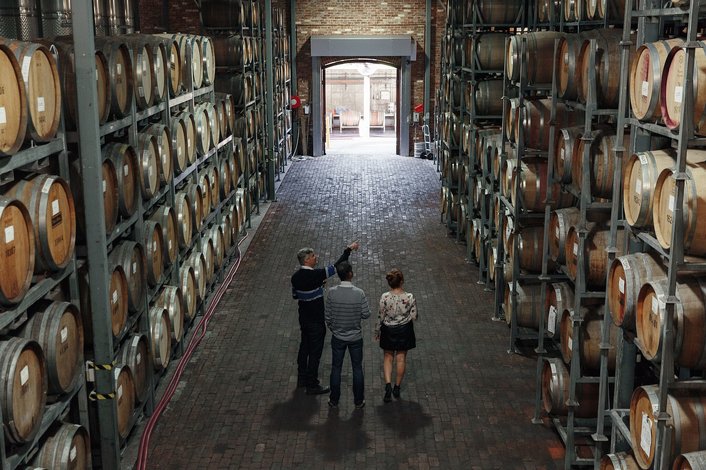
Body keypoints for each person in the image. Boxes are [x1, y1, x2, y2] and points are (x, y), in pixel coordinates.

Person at [291, 241, 359, 395]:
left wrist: (316, 287)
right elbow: (337, 266)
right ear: (306, 260)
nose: (316, 257)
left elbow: (296, 295)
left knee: (304, 348)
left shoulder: (295, 277)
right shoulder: (316, 274)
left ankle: (302, 378)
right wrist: (348, 250)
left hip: (304, 319)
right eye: (313, 256)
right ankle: (312, 384)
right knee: (315, 352)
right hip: (316, 320)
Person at [324, 261, 371, 409]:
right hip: (355, 337)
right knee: (357, 368)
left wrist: (333, 328)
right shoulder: (359, 293)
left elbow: (328, 316)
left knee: (336, 368)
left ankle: (334, 400)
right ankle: (358, 401)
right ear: (350, 274)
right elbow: (366, 314)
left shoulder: (332, 292)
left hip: (338, 337)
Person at [375, 268, 417, 402]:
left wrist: (377, 331)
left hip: (388, 330)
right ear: (402, 281)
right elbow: (414, 316)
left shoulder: (384, 297)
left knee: (388, 357)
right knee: (401, 359)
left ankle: (388, 385)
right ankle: (397, 387)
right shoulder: (409, 297)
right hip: (404, 330)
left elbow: (380, 315)